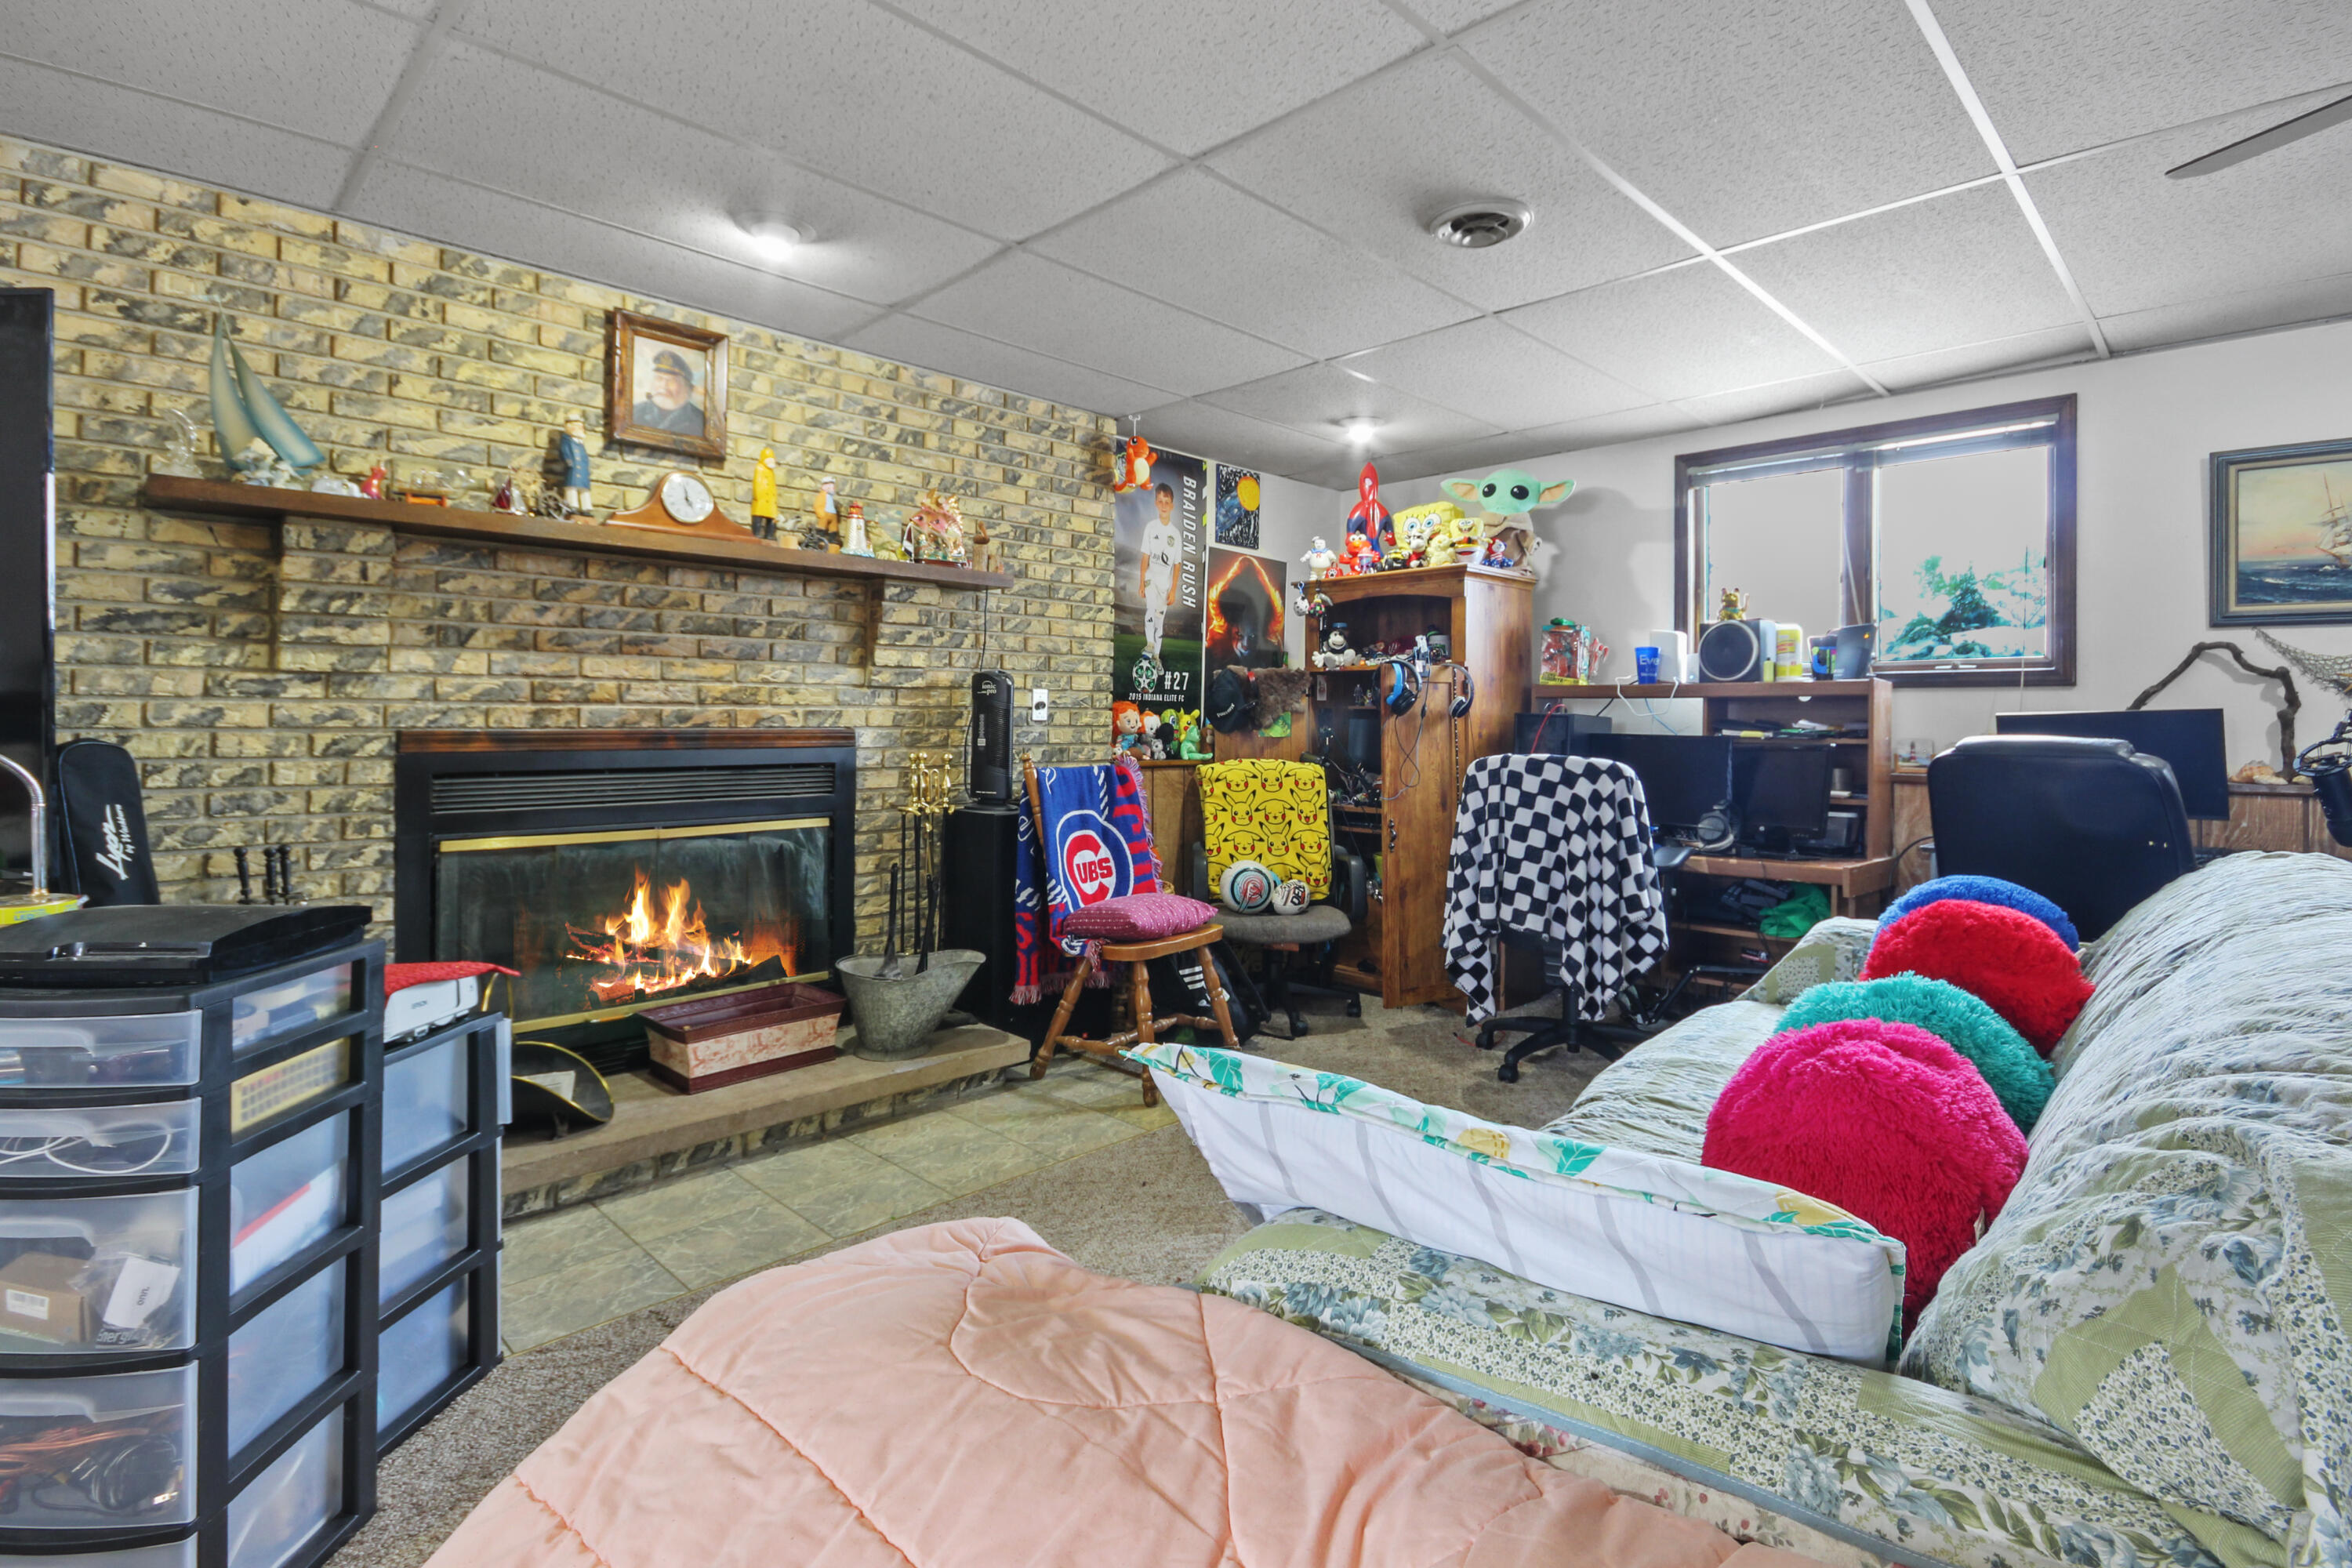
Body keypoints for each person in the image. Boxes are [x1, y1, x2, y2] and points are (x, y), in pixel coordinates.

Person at [1140, 482, 1183, 664]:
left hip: (1165, 587)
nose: (1164, 505)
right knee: (1150, 608)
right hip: (1151, 579)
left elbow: (1177, 565)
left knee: (1159, 623)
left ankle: (1156, 657)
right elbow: (1145, 557)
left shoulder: (1176, 534)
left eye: (1167, 502)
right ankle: (1149, 644)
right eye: (1160, 501)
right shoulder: (1150, 528)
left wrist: (1173, 590)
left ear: (1172, 505)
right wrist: (1141, 581)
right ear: (1156, 504)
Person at [631, 347, 706, 437]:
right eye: (659, 378)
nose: (664, 386)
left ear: (686, 387)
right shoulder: (634, 411)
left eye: (671, 381)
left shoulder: (701, 420)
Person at [558, 415, 593, 516]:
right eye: (578, 426)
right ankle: (572, 506)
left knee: (584, 488)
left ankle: (586, 507)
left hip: (582, 468)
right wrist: (568, 460)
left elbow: (584, 456)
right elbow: (564, 451)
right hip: (573, 467)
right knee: (571, 487)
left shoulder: (580, 442)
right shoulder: (566, 440)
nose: (581, 429)